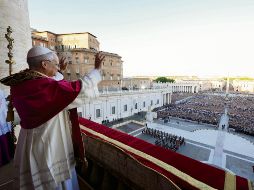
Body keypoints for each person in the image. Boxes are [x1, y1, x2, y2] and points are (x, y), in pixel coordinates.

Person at [0, 46, 105, 190]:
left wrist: (59, 70)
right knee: (54, 182)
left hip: (28, 141)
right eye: (55, 65)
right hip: (48, 141)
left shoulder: (21, 82)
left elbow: (54, 83)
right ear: (44, 64)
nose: (57, 68)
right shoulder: (45, 87)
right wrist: (97, 71)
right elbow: (78, 89)